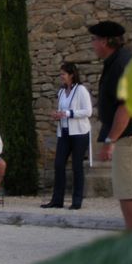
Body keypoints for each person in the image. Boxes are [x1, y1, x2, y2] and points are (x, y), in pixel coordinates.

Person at [89, 20, 132, 231]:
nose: (92, 44)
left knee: (129, 189)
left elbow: (126, 106)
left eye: (94, 39)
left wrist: (110, 140)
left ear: (105, 41)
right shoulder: (122, 60)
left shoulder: (120, 64)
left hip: (129, 136)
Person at [41, 62, 92, 210]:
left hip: (79, 134)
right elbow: (62, 111)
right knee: (58, 165)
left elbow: (88, 111)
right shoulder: (62, 92)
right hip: (63, 132)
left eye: (63, 74)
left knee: (77, 166)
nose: (61, 76)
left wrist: (68, 113)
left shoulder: (81, 90)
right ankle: (57, 200)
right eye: (61, 74)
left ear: (71, 75)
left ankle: (77, 201)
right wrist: (58, 115)